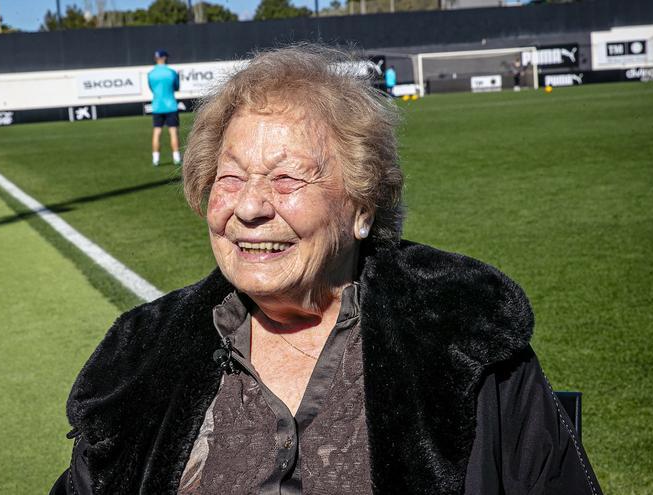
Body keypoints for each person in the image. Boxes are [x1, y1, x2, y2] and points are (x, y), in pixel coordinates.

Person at [51, 45, 602, 494]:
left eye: (287, 179)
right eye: (231, 178)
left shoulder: (461, 336)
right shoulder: (141, 354)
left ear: (363, 207)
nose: (250, 208)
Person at [148, 49, 181, 166]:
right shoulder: (171, 72)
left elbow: (152, 89)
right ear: (164, 58)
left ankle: (155, 159)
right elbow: (177, 87)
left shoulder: (151, 74)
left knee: (157, 132)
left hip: (157, 106)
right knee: (173, 132)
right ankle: (176, 158)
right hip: (171, 106)